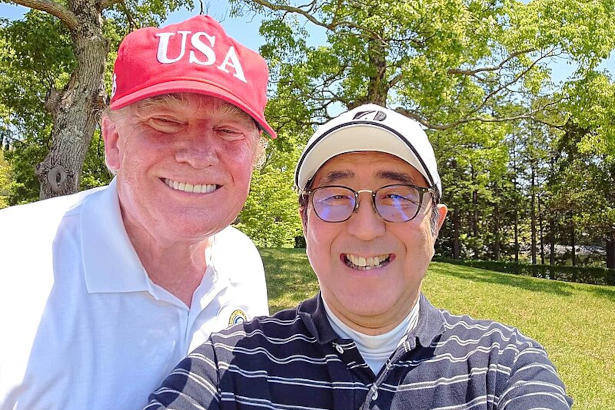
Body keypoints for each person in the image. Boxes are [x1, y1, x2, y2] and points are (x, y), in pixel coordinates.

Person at [146, 103, 573, 409]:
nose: (365, 227)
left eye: (397, 197)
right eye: (335, 197)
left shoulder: (502, 369)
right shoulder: (227, 369)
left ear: (435, 222)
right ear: (305, 221)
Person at [0, 15, 276, 409]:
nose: (198, 155)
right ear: (113, 141)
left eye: (229, 130)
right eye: (165, 122)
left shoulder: (242, 260)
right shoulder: (11, 260)